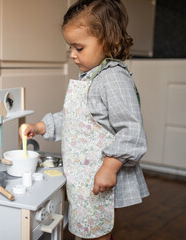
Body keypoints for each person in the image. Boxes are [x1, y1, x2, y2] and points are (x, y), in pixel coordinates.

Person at [20, 0, 149, 239]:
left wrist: (111, 166)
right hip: (82, 176)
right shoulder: (91, 77)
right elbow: (75, 119)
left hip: (97, 177)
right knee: (85, 229)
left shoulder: (113, 78)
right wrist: (41, 126)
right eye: (70, 47)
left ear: (108, 40)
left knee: (96, 231)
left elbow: (131, 130)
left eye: (79, 48)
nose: (72, 55)